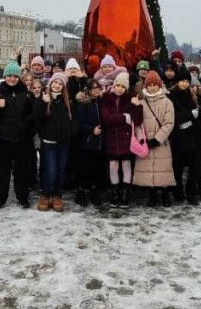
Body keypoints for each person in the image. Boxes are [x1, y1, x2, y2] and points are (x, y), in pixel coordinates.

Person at [0, 62, 34, 209]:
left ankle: (23, 196)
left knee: (21, 170)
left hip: (22, 139)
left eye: (15, 76)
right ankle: (1, 197)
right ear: (4, 76)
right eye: (9, 76)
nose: (12, 79)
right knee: (3, 170)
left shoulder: (26, 93)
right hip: (4, 139)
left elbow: (32, 115)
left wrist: (26, 129)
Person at [101, 71, 142, 208]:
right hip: (111, 138)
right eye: (117, 85)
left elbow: (137, 120)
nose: (119, 89)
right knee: (113, 166)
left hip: (125, 139)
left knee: (126, 166)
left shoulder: (130, 99)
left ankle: (125, 194)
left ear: (126, 88)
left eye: (122, 87)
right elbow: (106, 119)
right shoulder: (106, 99)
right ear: (114, 85)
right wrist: (124, 117)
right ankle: (115, 193)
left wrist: (137, 106)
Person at [133, 71, 175, 207]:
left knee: (163, 169)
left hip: (161, 143)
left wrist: (157, 139)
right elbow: (137, 123)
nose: (152, 87)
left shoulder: (167, 102)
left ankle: (165, 194)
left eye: (154, 85)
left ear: (159, 86)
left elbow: (169, 123)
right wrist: (141, 140)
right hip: (146, 142)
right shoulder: (141, 103)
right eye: (149, 85)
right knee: (148, 170)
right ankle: (152, 195)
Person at [33, 72, 73, 212]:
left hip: (63, 143)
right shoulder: (44, 98)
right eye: (55, 82)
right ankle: (45, 194)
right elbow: (37, 119)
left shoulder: (67, 101)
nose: (57, 85)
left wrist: (70, 133)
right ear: (50, 84)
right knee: (50, 169)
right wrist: (43, 103)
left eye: (60, 83)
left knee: (60, 170)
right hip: (48, 142)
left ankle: (57, 195)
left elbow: (72, 121)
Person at [169, 66, 201, 205]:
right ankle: (178, 192)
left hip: (193, 137)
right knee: (178, 167)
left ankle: (191, 193)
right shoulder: (171, 96)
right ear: (177, 82)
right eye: (182, 81)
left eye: (187, 81)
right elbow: (172, 116)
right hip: (178, 138)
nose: (185, 84)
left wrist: (194, 119)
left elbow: (198, 113)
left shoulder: (192, 95)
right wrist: (189, 115)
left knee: (194, 168)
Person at [74, 78, 106, 206]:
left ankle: (94, 191)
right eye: (93, 88)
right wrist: (91, 130)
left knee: (96, 168)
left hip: (100, 142)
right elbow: (79, 124)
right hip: (87, 141)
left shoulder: (102, 102)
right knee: (84, 168)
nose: (96, 90)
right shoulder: (83, 103)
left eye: (98, 87)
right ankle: (81, 191)